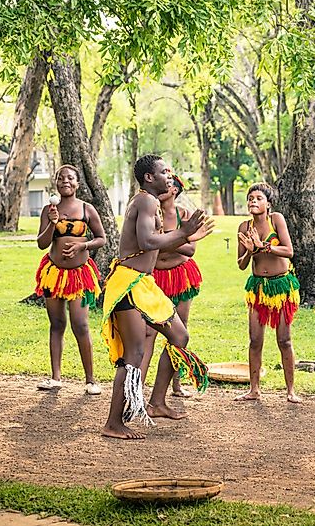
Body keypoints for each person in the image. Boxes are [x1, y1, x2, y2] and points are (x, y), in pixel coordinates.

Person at [100, 155, 213, 439]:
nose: (169, 176)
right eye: (164, 172)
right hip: (128, 283)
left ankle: (157, 401)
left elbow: (164, 244)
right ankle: (113, 422)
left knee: (179, 337)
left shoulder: (150, 203)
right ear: (149, 177)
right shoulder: (146, 201)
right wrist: (183, 232)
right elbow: (148, 242)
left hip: (144, 284)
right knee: (134, 354)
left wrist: (186, 236)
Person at [34, 164, 106, 395]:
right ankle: (56, 378)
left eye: (70, 178)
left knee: (81, 324)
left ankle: (90, 380)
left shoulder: (87, 209)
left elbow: (101, 239)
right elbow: (42, 244)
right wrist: (53, 223)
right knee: (56, 324)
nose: (65, 181)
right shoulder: (49, 209)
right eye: (61, 177)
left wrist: (82, 245)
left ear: (77, 183)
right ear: (56, 183)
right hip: (54, 273)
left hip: (80, 274)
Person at [235, 182, 301, 403]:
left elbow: (289, 251)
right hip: (258, 288)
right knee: (255, 340)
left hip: (280, 285)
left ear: (268, 203)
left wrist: (264, 247)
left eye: (258, 198)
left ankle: (291, 390)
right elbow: (241, 264)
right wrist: (250, 252)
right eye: (250, 198)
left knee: (284, 340)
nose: (253, 201)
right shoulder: (244, 227)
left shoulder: (277, 220)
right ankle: (254, 389)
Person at [139, 174, 202, 399]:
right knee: (149, 331)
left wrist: (166, 239)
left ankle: (175, 385)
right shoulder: (149, 212)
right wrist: (177, 239)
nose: (163, 187)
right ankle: (138, 387)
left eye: (168, 185)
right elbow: (148, 247)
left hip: (181, 275)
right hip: (155, 276)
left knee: (179, 330)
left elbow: (190, 250)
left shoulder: (184, 215)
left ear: (175, 191)